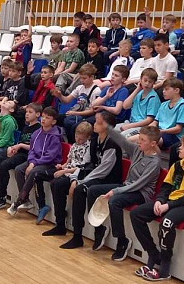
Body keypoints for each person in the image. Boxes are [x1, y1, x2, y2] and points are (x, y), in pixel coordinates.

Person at [61, 124, 161, 262]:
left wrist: (115, 191)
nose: (139, 141)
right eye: (140, 138)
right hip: (127, 187)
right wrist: (106, 127)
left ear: (153, 144)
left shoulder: (154, 163)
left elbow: (138, 185)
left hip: (141, 193)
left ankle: (122, 241)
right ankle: (99, 229)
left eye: (143, 140)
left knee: (115, 201)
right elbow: (121, 140)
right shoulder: (138, 150)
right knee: (92, 190)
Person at [131, 132, 184, 281]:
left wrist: (168, 206)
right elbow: (166, 187)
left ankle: (165, 267)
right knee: (136, 214)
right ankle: (153, 254)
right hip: (169, 202)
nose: (180, 148)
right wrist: (160, 201)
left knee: (167, 222)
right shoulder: (177, 165)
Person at [47, 111, 123, 239]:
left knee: (79, 190)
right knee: (58, 184)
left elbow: (103, 171)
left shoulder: (112, 145)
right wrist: (74, 178)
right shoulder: (94, 141)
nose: (94, 124)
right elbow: (86, 165)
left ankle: (78, 235)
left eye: (98, 122)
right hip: (93, 176)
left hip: (107, 180)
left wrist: (80, 181)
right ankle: (60, 225)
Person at [0, 103, 42, 210]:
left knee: (5, 165)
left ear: (38, 114)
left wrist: (20, 146)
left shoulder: (39, 129)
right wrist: (13, 148)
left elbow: (35, 148)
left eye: (30, 112)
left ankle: (1, 197)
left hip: (27, 156)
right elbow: (20, 142)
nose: (27, 114)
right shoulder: (26, 127)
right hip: (18, 152)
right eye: (26, 112)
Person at [33, 121, 93, 224]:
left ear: (88, 137)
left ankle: (60, 213)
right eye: (76, 137)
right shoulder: (74, 145)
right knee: (37, 175)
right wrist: (62, 166)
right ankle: (42, 206)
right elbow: (68, 162)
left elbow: (82, 167)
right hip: (66, 170)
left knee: (55, 183)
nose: (78, 140)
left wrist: (64, 171)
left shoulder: (89, 148)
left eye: (81, 139)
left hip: (75, 174)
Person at [8, 107, 62, 215]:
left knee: (33, 171)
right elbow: (32, 150)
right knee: (19, 169)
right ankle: (26, 200)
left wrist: (34, 164)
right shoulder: (36, 133)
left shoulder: (55, 136)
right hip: (35, 161)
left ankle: (20, 200)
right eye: (43, 117)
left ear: (53, 121)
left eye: (47, 118)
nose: (43, 119)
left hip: (49, 164)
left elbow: (50, 156)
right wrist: (32, 162)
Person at [54, 63, 101, 142]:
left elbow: (92, 111)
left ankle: (71, 142)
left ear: (92, 77)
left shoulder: (96, 91)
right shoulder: (79, 88)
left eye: (84, 78)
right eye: (81, 78)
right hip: (76, 113)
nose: (82, 80)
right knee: (56, 118)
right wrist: (59, 95)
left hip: (85, 116)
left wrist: (75, 113)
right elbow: (66, 100)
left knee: (69, 122)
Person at [119, 68, 161, 137]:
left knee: (122, 136)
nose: (147, 83)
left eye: (150, 82)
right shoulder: (138, 93)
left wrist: (129, 126)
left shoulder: (153, 98)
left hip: (142, 128)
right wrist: (137, 89)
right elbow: (125, 106)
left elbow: (149, 120)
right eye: (145, 80)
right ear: (140, 80)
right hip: (131, 123)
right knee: (111, 131)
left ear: (154, 83)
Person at [152, 78, 184, 149]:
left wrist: (161, 131)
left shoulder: (183, 105)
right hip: (161, 132)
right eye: (163, 89)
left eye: (166, 89)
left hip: (175, 136)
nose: (163, 92)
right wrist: (149, 129)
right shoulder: (163, 104)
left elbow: (178, 129)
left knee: (148, 140)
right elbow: (155, 122)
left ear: (177, 90)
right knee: (141, 136)